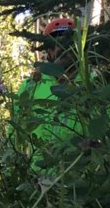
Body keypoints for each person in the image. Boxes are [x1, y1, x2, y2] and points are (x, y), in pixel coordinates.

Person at [13, 17, 84, 169]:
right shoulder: (31, 86)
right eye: (55, 44)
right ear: (48, 50)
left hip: (85, 180)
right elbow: (14, 133)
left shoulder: (94, 83)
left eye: (68, 42)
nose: (62, 48)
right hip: (39, 177)